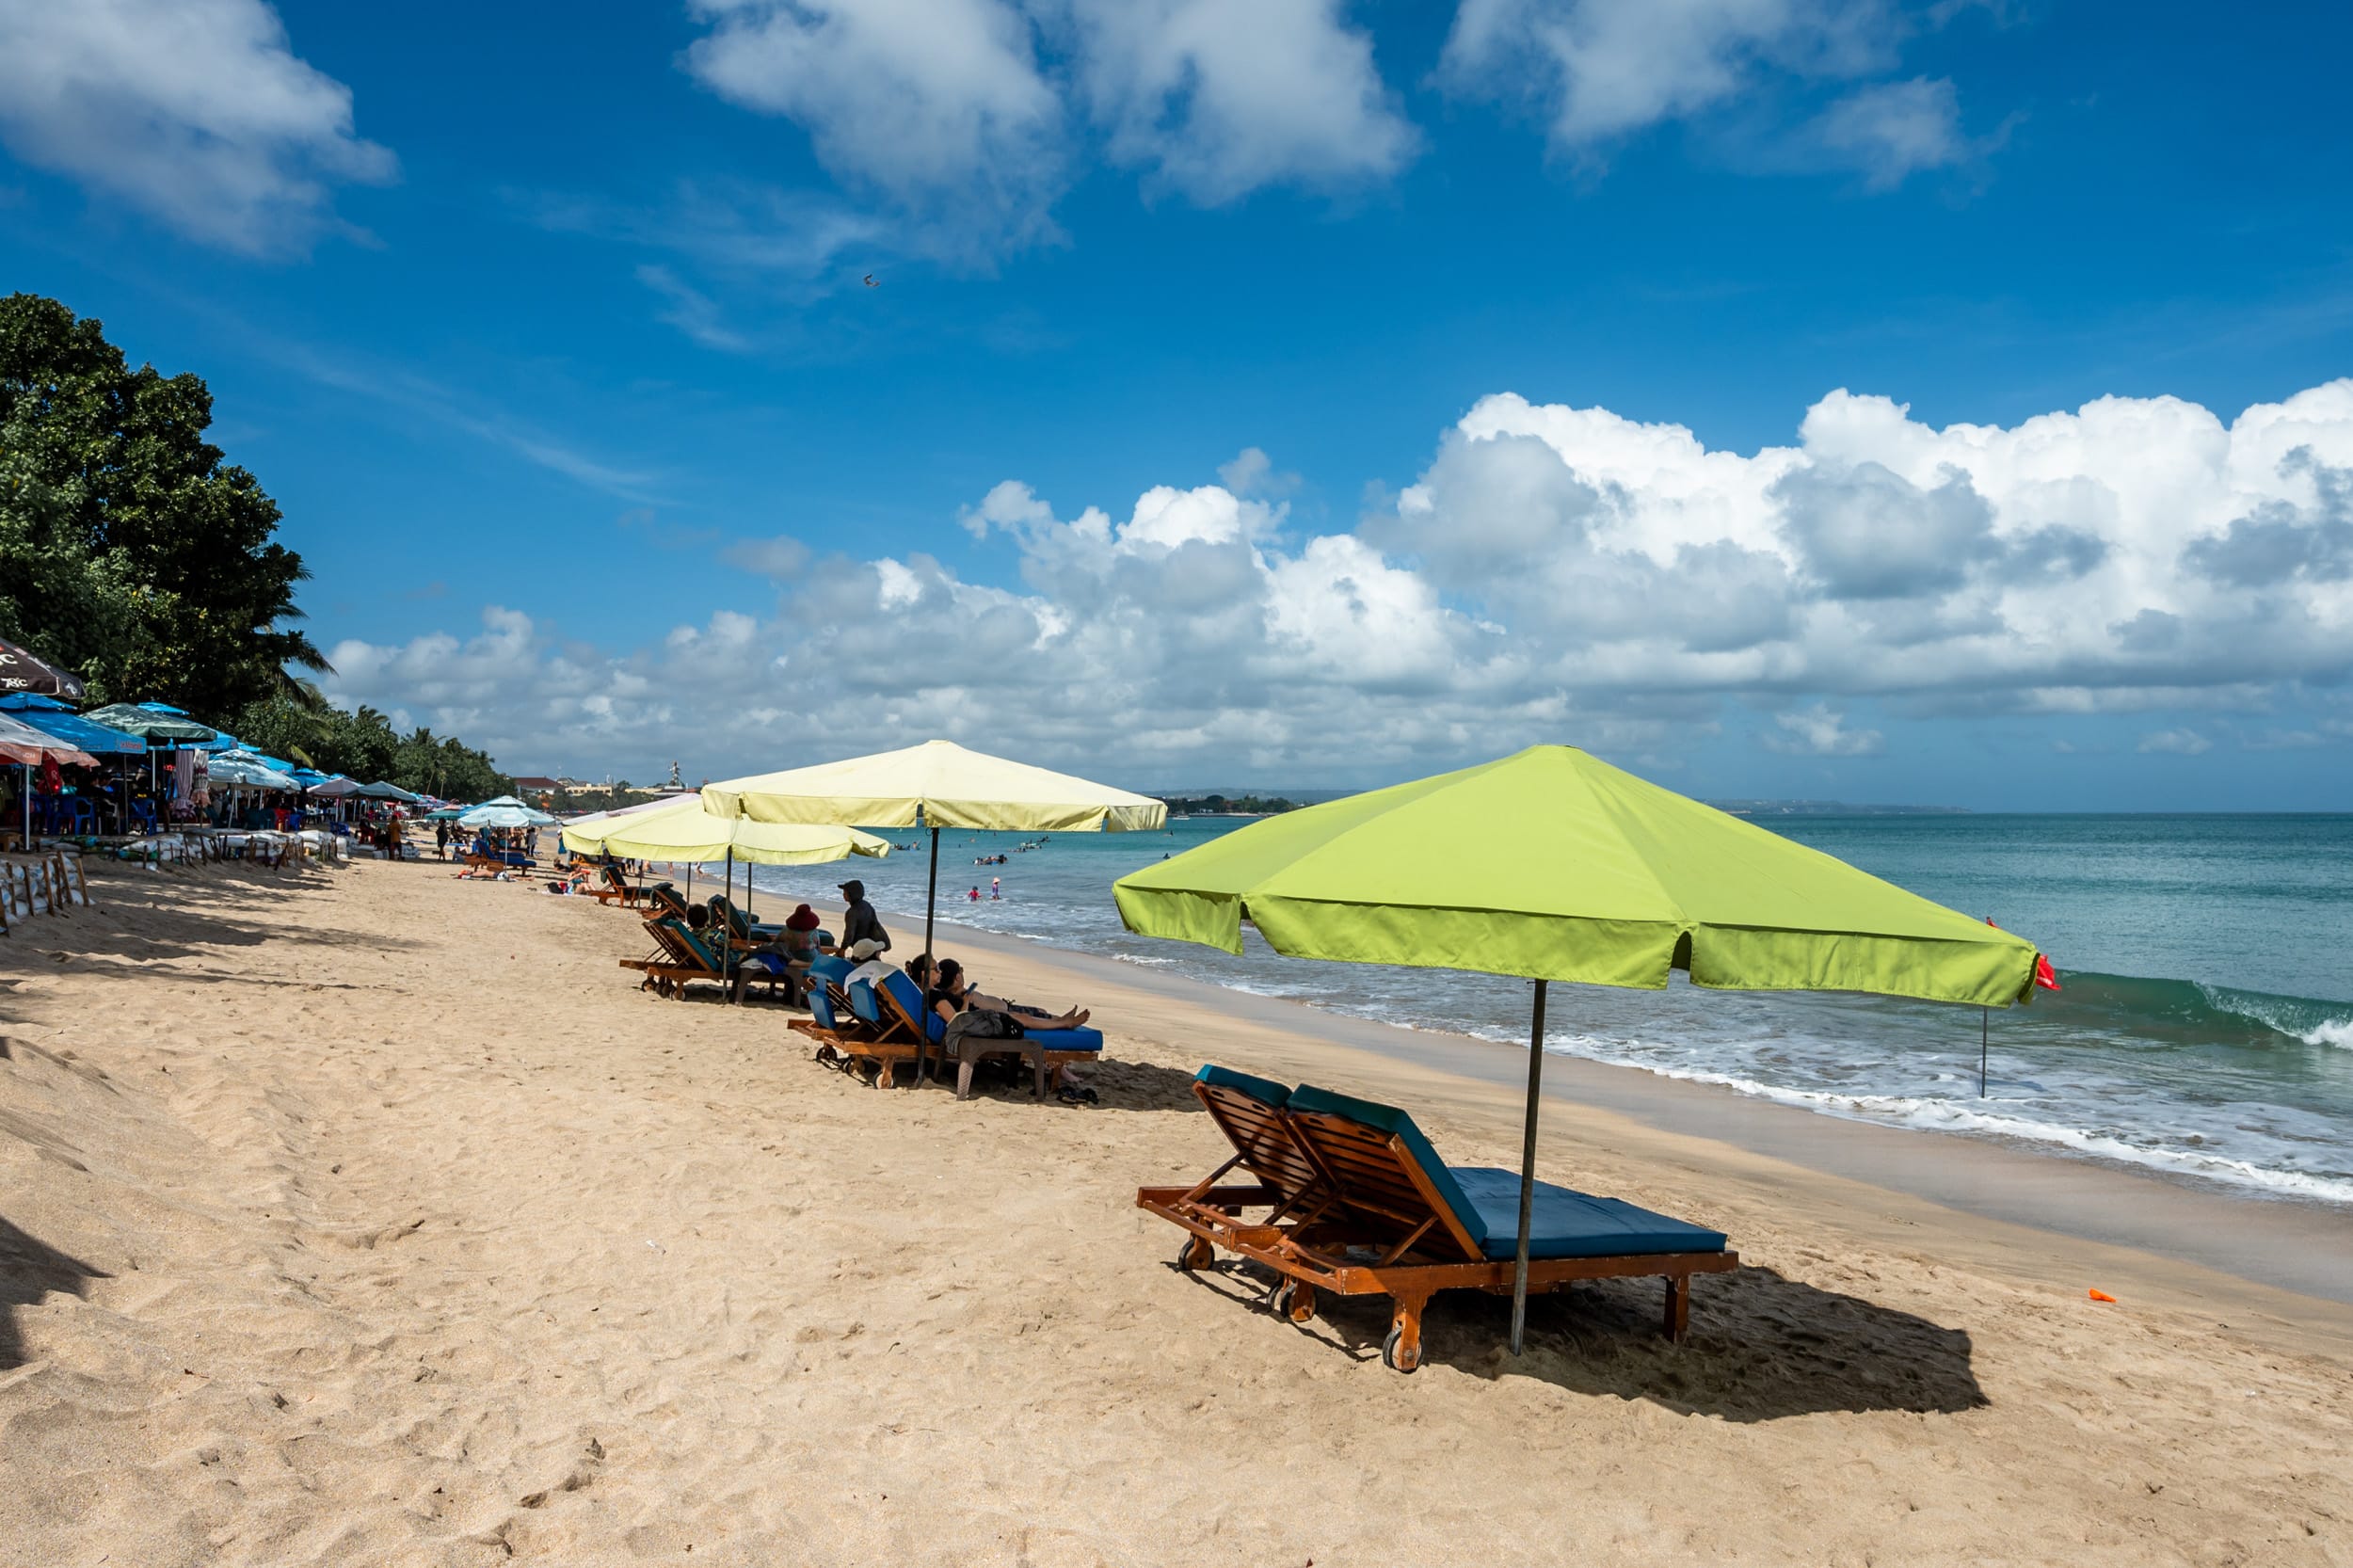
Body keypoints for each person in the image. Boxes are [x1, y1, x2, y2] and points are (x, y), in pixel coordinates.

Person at [925, 958, 1089, 1032]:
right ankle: (1064, 1023)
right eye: (935, 970)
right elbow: (956, 1020)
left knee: (1028, 1015)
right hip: (985, 1020)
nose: (939, 973)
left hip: (987, 1016)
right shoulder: (937, 996)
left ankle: (1062, 1020)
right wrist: (967, 1000)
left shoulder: (936, 993)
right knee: (1026, 1017)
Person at [837, 879, 888, 957]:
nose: (843, 895)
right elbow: (875, 924)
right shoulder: (867, 905)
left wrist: (843, 948)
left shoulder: (852, 912)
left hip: (861, 947)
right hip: (873, 944)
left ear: (852, 894)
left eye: (845, 893)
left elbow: (849, 934)